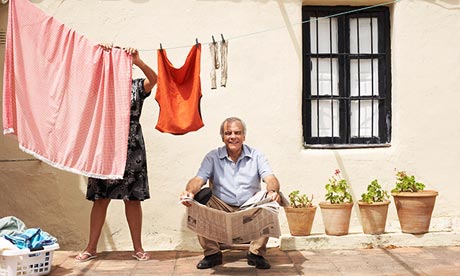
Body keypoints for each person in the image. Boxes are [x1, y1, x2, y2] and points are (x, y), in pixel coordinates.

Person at [75, 44, 157, 262]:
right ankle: (91, 247)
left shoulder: (136, 87)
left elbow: (154, 79)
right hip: (104, 148)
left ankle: (138, 248)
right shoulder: (100, 87)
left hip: (132, 148)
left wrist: (138, 61)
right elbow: (80, 78)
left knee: (133, 199)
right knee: (100, 199)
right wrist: (99, 54)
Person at [180, 117, 282, 270]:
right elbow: (198, 179)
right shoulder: (212, 156)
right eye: (228, 133)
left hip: (250, 207)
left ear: (244, 136)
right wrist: (189, 192)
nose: (233, 136)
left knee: (271, 200)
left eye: (237, 133)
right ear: (223, 137)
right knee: (199, 198)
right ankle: (212, 254)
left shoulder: (257, 156)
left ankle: (256, 253)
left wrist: (272, 191)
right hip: (221, 206)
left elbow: (271, 178)